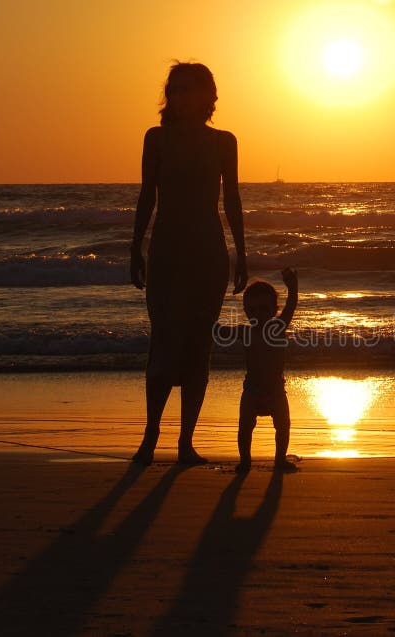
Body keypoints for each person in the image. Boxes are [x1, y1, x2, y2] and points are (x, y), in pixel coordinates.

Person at [129, 61, 248, 465]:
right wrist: (135, 247)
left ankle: (186, 443)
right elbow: (148, 195)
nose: (178, 97)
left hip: (208, 254)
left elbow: (231, 199)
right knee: (163, 344)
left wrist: (242, 254)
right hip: (166, 252)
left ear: (206, 96)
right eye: (173, 90)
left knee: (199, 348)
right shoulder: (157, 139)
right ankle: (150, 436)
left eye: (186, 89)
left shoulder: (224, 142)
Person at [216, 268, 299, 473]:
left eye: (263, 309)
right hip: (252, 391)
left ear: (274, 310)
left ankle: (279, 459)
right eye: (251, 310)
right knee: (244, 428)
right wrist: (205, 313)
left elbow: (291, 306)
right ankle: (245, 460)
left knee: (283, 426)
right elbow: (218, 330)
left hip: (276, 391)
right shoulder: (245, 331)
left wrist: (293, 287)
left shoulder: (277, 327)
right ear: (245, 311)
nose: (258, 314)